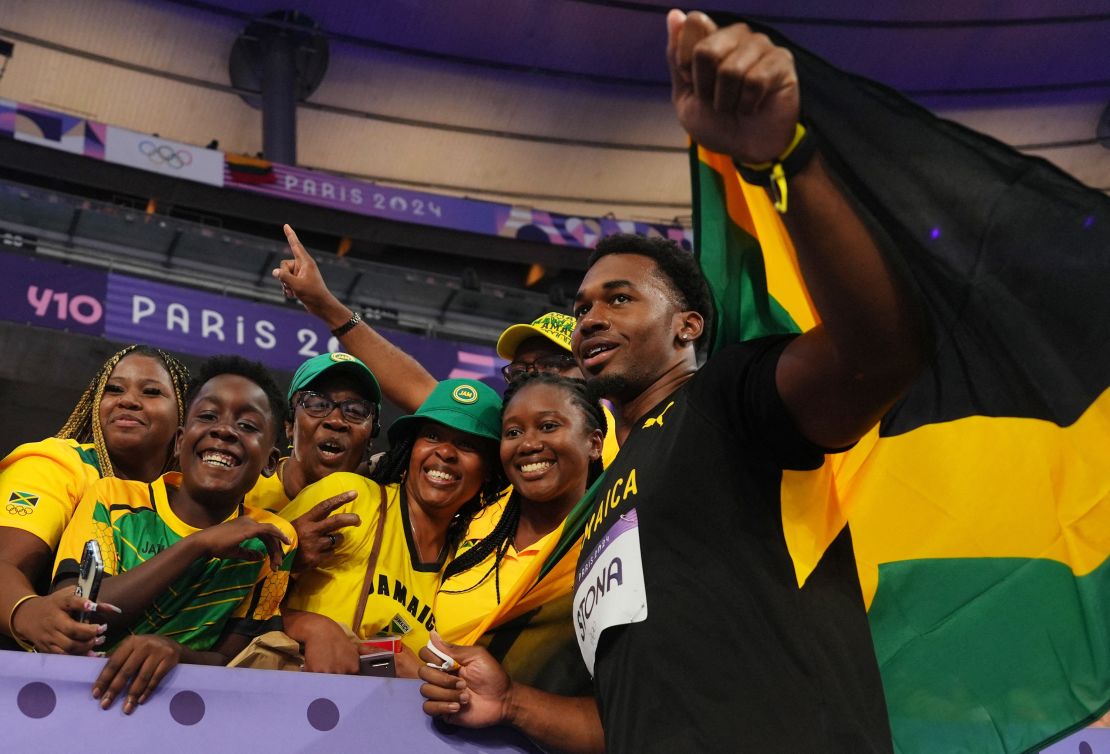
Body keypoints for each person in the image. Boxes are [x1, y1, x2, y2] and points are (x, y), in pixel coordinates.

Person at [427, 11, 930, 753]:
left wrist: (784, 162)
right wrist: (514, 705)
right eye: (583, 306)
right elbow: (627, 716)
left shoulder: (725, 401)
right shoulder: (599, 511)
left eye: (620, 298)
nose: (591, 316)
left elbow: (881, 350)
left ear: (689, 326)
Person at [52, 355, 296, 715]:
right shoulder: (113, 498)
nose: (224, 430)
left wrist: (178, 654)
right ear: (180, 441)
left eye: (247, 425)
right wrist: (196, 545)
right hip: (78, 702)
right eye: (208, 417)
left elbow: (235, 658)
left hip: (179, 717)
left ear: (270, 462)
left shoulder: (271, 537)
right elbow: (75, 611)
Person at [271, 227, 619, 465]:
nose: (532, 378)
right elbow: (419, 390)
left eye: (551, 365)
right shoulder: (504, 435)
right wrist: (327, 306)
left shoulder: (623, 441)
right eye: (521, 370)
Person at [419, 373, 607, 754]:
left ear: (595, 443)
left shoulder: (612, 546)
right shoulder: (470, 521)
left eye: (549, 426)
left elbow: (635, 720)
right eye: (513, 432)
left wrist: (510, 703)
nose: (529, 444)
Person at [278, 379, 506, 676]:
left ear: (488, 470)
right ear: (411, 449)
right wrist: (308, 625)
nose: (446, 453)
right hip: (289, 704)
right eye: (433, 436)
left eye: (467, 444)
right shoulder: (348, 497)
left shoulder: (469, 570)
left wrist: (418, 677)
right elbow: (227, 590)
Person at [0, 344, 190, 653]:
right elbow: (5, 562)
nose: (128, 400)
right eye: (113, 389)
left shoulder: (191, 498)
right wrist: (27, 611)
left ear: (184, 419)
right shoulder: (56, 464)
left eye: (151, 392)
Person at [245, 351, 381, 570]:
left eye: (356, 411)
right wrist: (287, 552)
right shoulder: (243, 489)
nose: (336, 421)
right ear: (289, 426)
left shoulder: (378, 514)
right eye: (317, 404)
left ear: (369, 440)